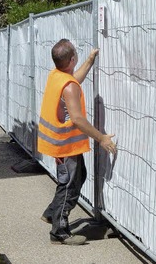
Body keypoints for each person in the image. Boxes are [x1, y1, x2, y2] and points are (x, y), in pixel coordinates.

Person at [38, 39, 117, 246]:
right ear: (72, 59)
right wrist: (102, 138)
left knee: (77, 177)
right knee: (70, 185)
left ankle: (51, 213)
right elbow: (78, 119)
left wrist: (90, 61)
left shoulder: (57, 76)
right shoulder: (69, 85)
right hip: (65, 145)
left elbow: (74, 81)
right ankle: (59, 232)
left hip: (59, 142)